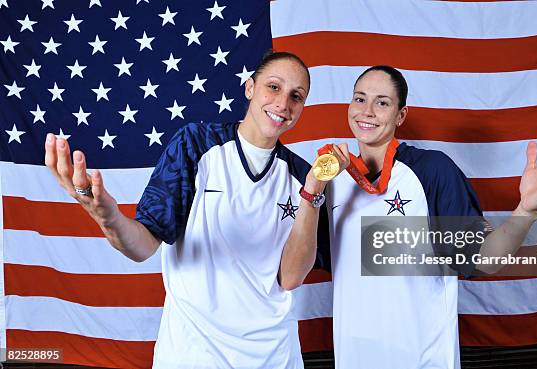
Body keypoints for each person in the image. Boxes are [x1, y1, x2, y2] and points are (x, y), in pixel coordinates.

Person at [44, 51, 332, 369]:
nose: (283, 104)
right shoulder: (195, 145)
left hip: (274, 356)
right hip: (193, 354)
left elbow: (291, 278)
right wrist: (108, 216)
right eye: (273, 87)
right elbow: (143, 245)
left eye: (297, 96)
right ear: (250, 88)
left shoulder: (304, 176)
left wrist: (313, 192)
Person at [302, 65, 537, 369]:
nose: (367, 111)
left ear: (400, 115)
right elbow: (302, 263)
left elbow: (483, 259)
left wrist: (527, 208)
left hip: (423, 359)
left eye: (382, 102)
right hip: (355, 358)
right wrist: (313, 190)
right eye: (359, 99)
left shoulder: (431, 171)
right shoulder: (333, 181)